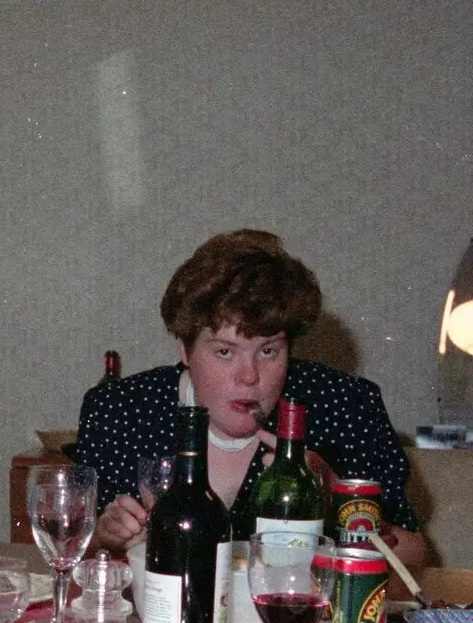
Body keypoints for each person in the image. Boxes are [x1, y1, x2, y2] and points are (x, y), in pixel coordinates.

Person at [77, 229, 425, 565]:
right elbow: (72, 545)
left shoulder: (345, 405)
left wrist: (334, 496)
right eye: (225, 352)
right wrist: (104, 537)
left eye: (269, 351)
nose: (249, 376)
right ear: (185, 348)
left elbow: (413, 554)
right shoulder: (119, 410)